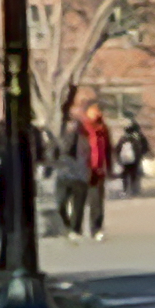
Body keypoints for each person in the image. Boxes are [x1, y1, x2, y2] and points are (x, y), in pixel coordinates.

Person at [55, 101, 112, 243]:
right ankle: (75, 229)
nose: (97, 113)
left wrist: (109, 167)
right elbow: (67, 148)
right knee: (76, 203)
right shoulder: (80, 129)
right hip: (81, 169)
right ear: (87, 112)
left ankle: (96, 229)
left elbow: (108, 150)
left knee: (96, 202)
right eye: (94, 110)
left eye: (99, 110)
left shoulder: (103, 129)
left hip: (97, 170)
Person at [114, 120, 150, 198]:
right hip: (135, 160)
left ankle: (125, 190)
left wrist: (118, 159)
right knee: (134, 174)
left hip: (124, 160)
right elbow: (145, 147)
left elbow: (117, 149)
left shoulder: (123, 138)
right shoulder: (138, 137)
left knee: (125, 175)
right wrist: (142, 155)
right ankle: (134, 190)